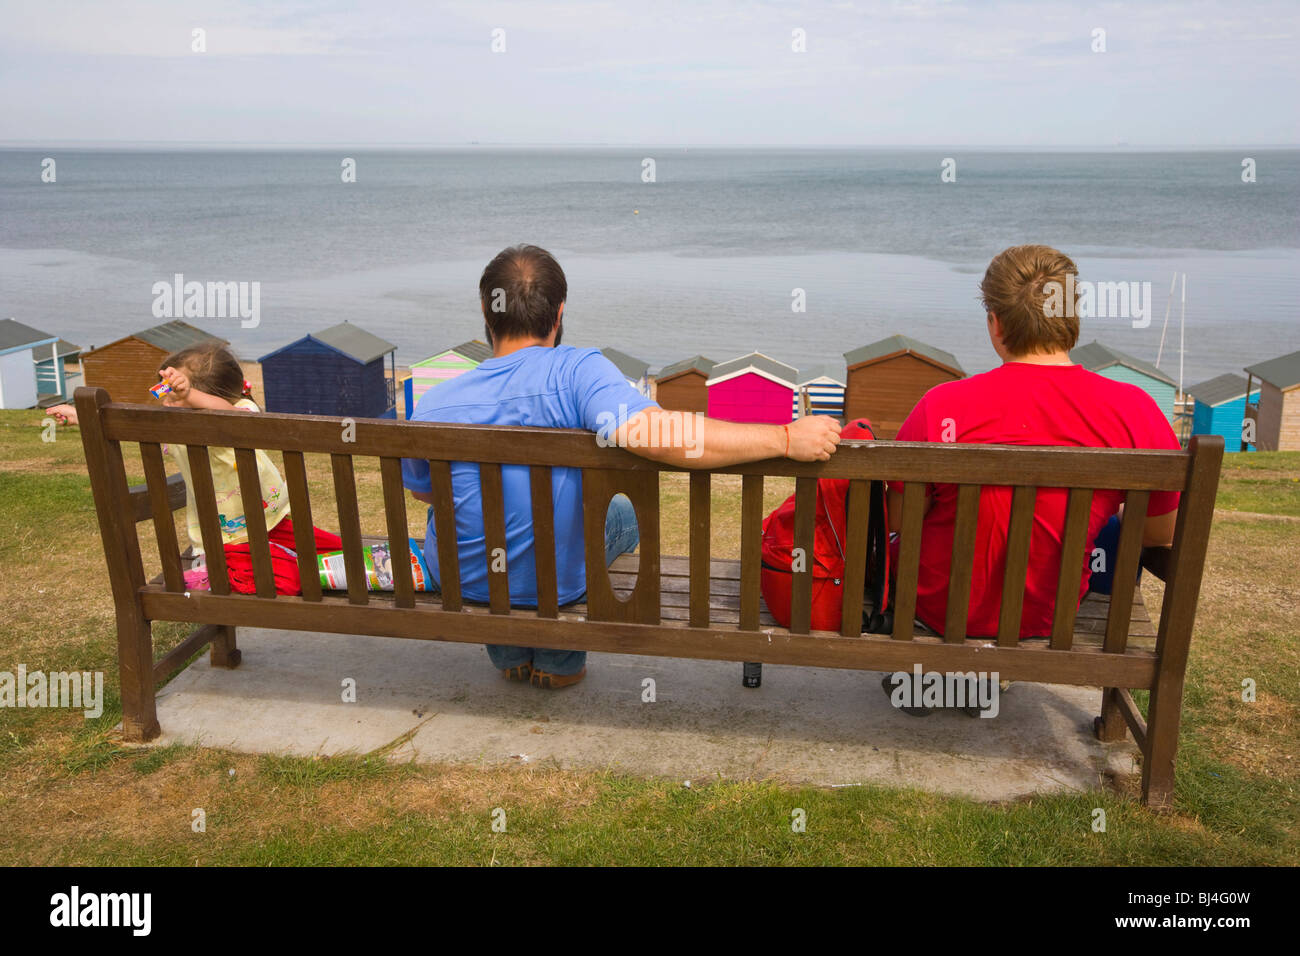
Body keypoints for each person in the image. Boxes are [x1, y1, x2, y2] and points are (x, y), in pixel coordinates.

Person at [402, 243, 841, 689]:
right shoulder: (577, 373)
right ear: (558, 314)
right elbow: (660, 435)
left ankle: (510, 651)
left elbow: (425, 493)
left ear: (485, 310)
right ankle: (557, 660)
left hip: (465, 579)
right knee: (621, 519)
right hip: (555, 584)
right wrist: (783, 437)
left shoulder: (436, 401)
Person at [886, 244, 1181, 646]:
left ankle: (947, 673)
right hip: (1049, 615)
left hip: (939, 609)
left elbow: (902, 521)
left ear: (995, 323)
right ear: (1072, 318)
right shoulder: (1135, 410)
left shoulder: (941, 404)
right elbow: (1158, 532)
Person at [50, 343, 341, 594]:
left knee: (339, 548)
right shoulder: (173, 425)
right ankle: (211, 574)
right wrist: (86, 417)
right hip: (225, 538)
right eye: (163, 393)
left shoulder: (242, 412)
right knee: (289, 578)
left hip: (271, 520)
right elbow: (131, 421)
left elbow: (226, 414)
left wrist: (189, 397)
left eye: (171, 395)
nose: (164, 401)